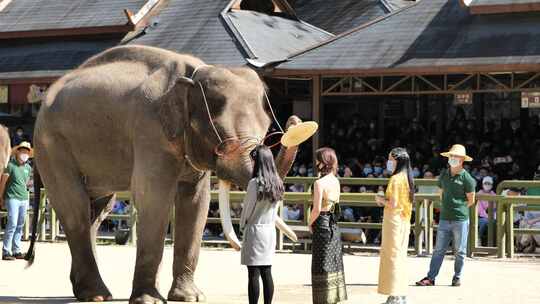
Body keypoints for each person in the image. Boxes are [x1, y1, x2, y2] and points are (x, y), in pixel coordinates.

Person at [416, 144, 476, 287]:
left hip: (460, 219)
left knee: (460, 251)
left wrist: (458, 209)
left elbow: (471, 200)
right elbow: (440, 193)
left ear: (462, 159)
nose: (452, 158)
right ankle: (431, 278)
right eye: (451, 156)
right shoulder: (444, 174)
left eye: (455, 156)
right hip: (444, 218)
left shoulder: (467, 179)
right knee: (438, 250)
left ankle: (457, 276)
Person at [239, 145, 285, 304]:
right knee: (267, 272)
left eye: (253, 161)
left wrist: (241, 225)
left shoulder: (254, 183)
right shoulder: (278, 183)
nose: (252, 164)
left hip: (254, 231)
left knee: (253, 273)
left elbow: (247, 211)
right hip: (269, 231)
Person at [375, 148, 415, 304]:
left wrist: (379, 199)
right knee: (399, 256)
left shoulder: (396, 179)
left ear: (397, 161)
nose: (388, 162)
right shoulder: (407, 177)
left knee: (391, 256)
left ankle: (395, 294)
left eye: (390, 159)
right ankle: (400, 293)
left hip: (393, 220)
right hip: (404, 220)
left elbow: (393, 203)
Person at [309, 147, 347, 304]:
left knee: (320, 264)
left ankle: (322, 300)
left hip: (322, 223)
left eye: (318, 160)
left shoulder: (319, 183)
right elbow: (335, 205)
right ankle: (333, 298)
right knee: (333, 262)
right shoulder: (336, 181)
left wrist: (309, 222)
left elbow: (317, 208)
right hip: (333, 224)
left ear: (322, 162)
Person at [1, 141, 33, 260]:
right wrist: (1, 197)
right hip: (12, 198)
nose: (25, 153)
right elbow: (3, 183)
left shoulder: (28, 168)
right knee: (12, 223)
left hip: (24, 199)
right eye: (23, 151)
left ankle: (16, 250)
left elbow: (25, 183)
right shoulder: (10, 165)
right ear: (18, 152)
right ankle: (6, 251)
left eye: (27, 152)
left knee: (20, 225)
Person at [477, 176, 496, 245]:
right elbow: (480, 210)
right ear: (482, 184)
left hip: (492, 216)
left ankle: (493, 243)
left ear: (492, 185)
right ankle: (478, 238)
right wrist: (488, 216)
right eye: (485, 183)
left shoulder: (493, 194)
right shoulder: (479, 194)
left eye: (489, 184)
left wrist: (493, 216)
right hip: (481, 217)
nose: (487, 185)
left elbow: (495, 208)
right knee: (484, 221)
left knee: (495, 222)